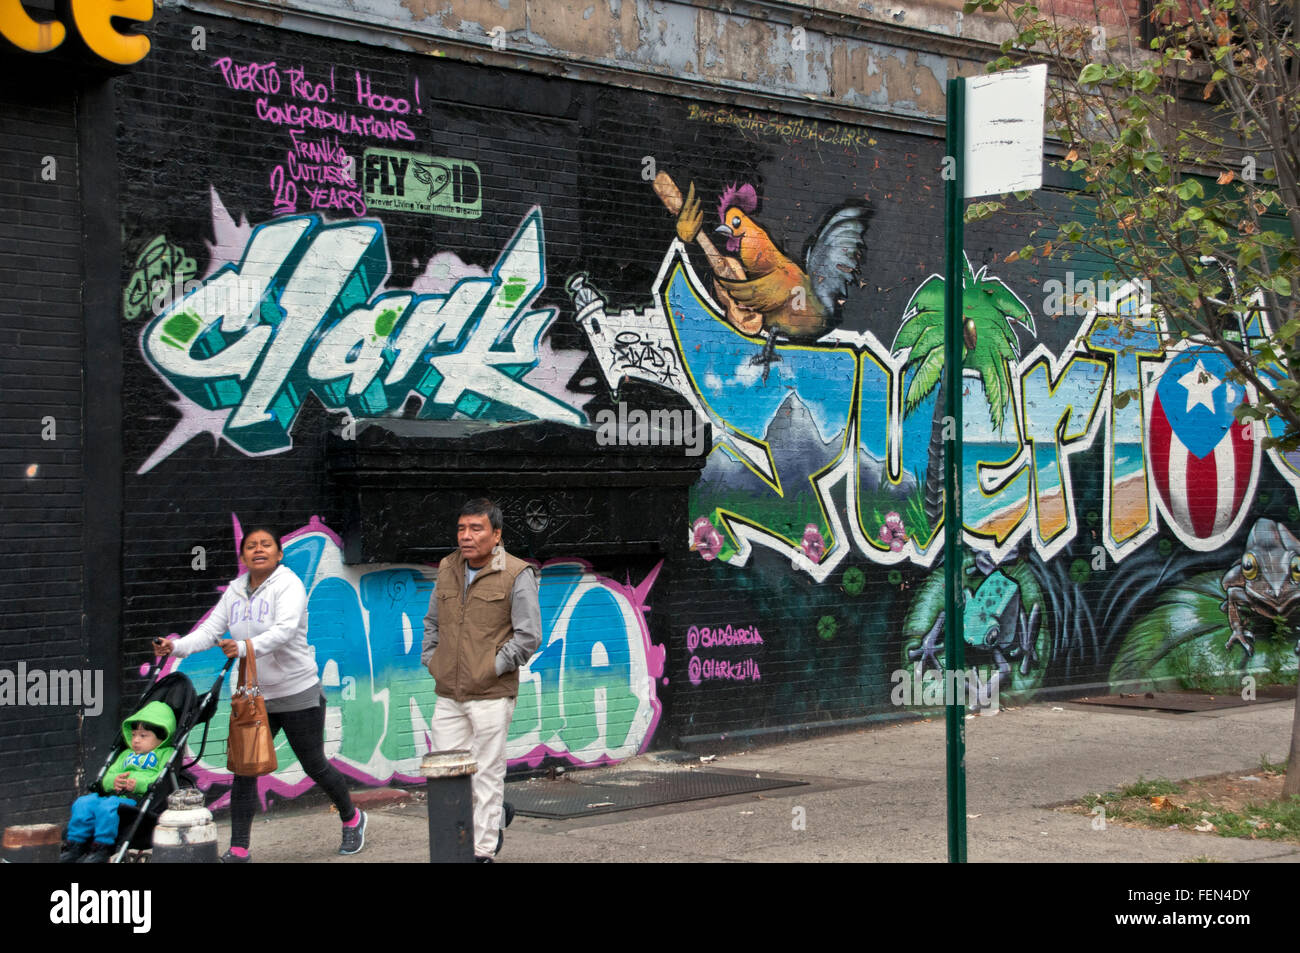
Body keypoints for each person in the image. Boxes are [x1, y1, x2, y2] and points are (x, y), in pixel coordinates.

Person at [153, 526, 367, 862]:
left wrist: (241, 647)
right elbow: (210, 630)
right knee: (245, 770)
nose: (259, 549)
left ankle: (352, 817)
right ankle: (239, 849)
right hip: (254, 698)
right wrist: (175, 647)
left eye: (266, 544)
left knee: (314, 765)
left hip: (297, 690)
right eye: (251, 546)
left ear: (279, 554)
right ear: (242, 557)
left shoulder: (288, 584)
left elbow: (283, 631)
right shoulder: (236, 590)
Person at [422, 499, 540, 862]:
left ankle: (481, 851)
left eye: (476, 529)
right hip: (449, 692)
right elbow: (432, 622)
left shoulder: (517, 574)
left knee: (487, 773)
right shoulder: (447, 568)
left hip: (491, 693)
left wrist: (491, 667)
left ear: (497, 535)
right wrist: (433, 661)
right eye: (462, 528)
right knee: (447, 775)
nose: (466, 536)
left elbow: (528, 636)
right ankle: (462, 840)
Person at [61, 702, 175, 863]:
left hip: (137, 800)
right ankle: (75, 844)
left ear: (162, 736)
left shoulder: (165, 753)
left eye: (143, 736)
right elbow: (109, 775)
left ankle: (102, 847)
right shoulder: (125, 754)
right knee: (83, 802)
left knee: (107, 807)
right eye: (134, 734)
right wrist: (112, 781)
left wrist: (138, 783)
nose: (135, 740)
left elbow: (161, 780)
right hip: (113, 795)